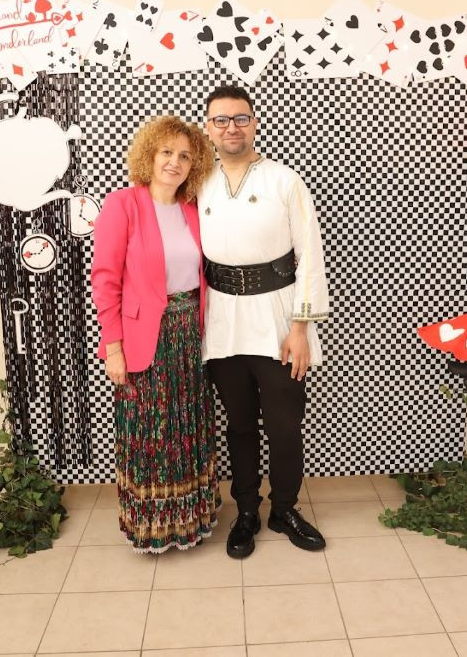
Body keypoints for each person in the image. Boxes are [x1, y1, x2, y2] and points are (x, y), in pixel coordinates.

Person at [199, 85, 330, 559]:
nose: (231, 127)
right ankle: (247, 512)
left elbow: (310, 254)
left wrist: (300, 328)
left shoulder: (284, 181)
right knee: (238, 424)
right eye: (221, 119)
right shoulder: (198, 182)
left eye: (240, 118)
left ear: (254, 123)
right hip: (222, 320)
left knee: (284, 424)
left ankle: (285, 509)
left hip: (278, 317)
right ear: (209, 128)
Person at [91, 115, 218, 553]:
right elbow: (105, 280)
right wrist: (113, 348)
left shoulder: (194, 209)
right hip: (143, 340)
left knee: (188, 429)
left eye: (185, 155)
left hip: (190, 337)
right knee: (150, 433)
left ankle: (190, 522)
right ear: (150, 155)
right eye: (166, 152)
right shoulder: (122, 204)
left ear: (194, 164)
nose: (174, 162)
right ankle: (152, 528)